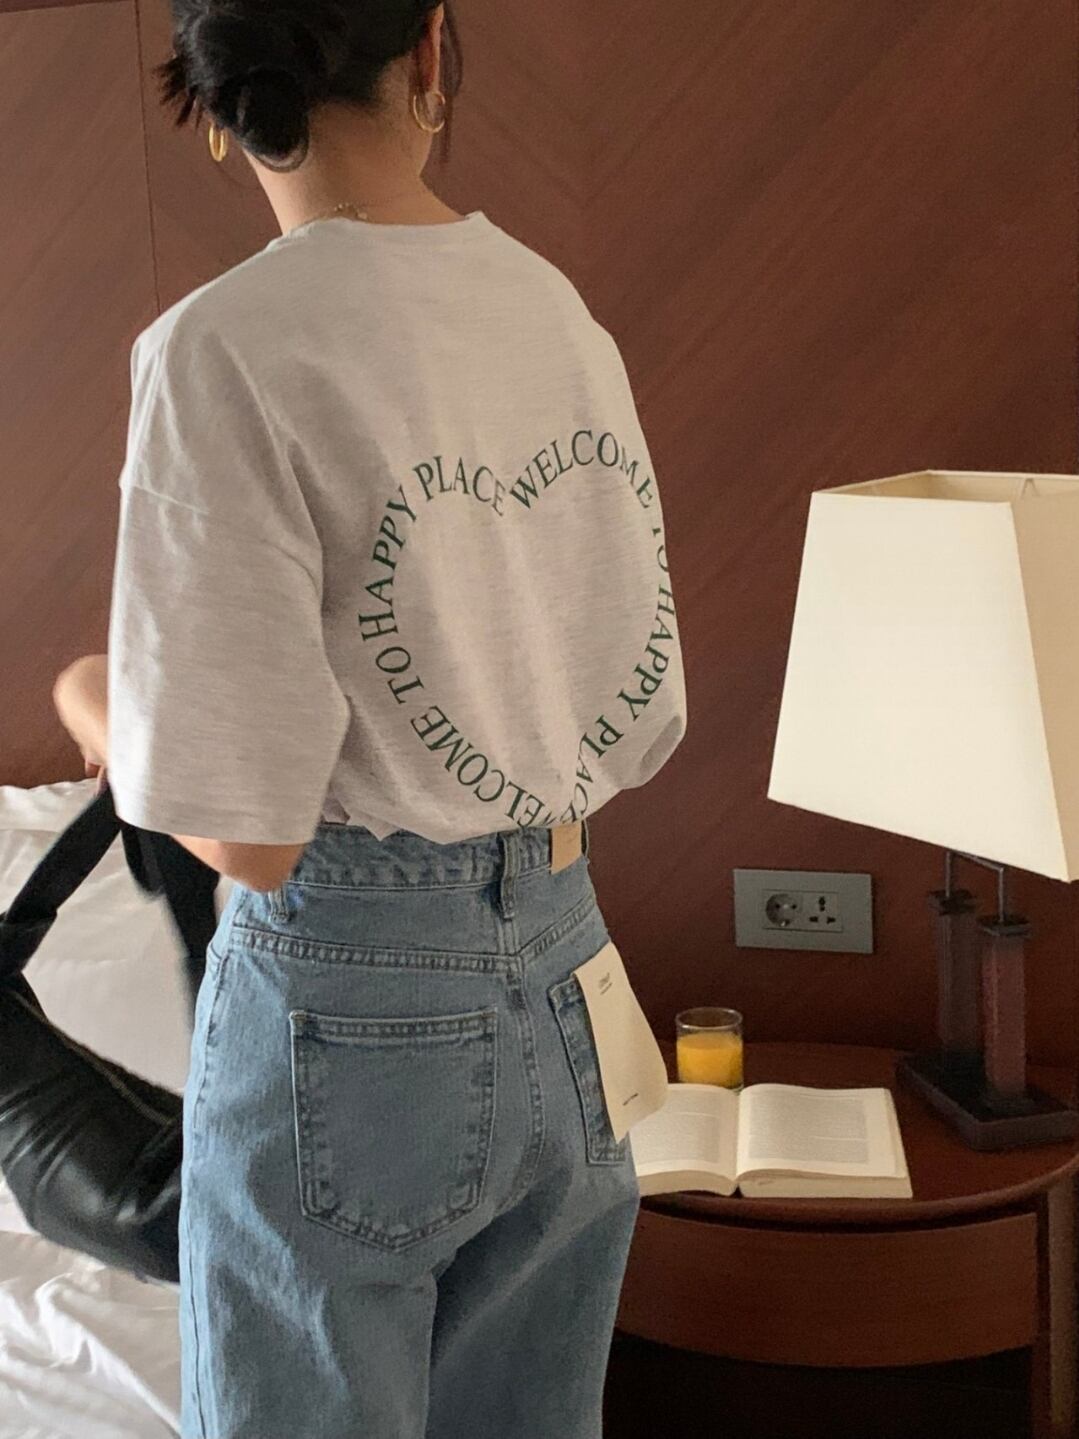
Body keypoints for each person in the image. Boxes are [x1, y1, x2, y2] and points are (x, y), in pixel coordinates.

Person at [53, 2, 687, 1435]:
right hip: (571, 967)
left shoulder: (220, 348)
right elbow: (635, 706)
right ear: (433, 53)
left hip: (351, 1003)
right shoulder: (554, 313)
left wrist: (100, 698)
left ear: (220, 111)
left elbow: (250, 837)